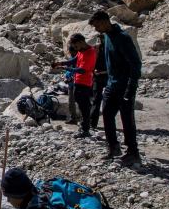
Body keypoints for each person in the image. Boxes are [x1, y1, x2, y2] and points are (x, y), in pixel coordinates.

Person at [89, 11, 142, 164]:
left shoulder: (123, 38)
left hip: (124, 85)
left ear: (106, 21)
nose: (96, 29)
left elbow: (135, 64)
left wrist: (131, 87)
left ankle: (133, 152)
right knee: (106, 114)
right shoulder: (106, 37)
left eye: (98, 25)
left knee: (127, 118)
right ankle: (113, 147)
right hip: (111, 83)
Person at [52, 34, 98, 139]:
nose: (76, 49)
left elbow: (82, 70)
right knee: (81, 105)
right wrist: (61, 63)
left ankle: (85, 129)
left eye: (76, 46)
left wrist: (65, 68)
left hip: (85, 83)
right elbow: (74, 61)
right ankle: (84, 127)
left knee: (84, 107)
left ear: (81, 42)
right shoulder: (81, 51)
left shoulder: (90, 53)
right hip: (78, 81)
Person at [89, 40, 108, 131]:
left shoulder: (106, 50)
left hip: (105, 77)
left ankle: (94, 123)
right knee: (97, 100)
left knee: (99, 100)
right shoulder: (95, 50)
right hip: (99, 77)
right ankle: (93, 123)